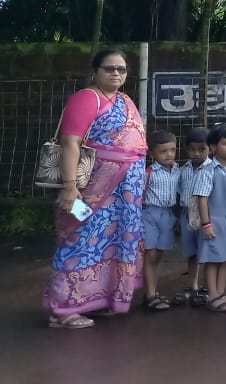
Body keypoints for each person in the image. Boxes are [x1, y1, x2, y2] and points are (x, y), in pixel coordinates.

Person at [44, 50, 148, 330]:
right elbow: (70, 143)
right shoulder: (87, 98)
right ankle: (62, 309)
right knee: (78, 239)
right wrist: (69, 188)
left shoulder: (125, 101)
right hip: (91, 191)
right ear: (95, 71)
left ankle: (96, 299)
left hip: (123, 197)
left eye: (121, 69)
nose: (116, 73)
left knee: (114, 243)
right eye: (109, 68)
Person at [193, 125, 226, 313]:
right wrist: (206, 223)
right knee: (213, 258)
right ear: (213, 147)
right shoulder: (207, 170)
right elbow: (202, 199)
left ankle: (222, 292)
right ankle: (212, 294)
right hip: (215, 220)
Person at [141, 131, 180, 312]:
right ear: (152, 154)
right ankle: (149, 295)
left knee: (159, 255)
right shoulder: (148, 173)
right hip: (149, 214)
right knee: (150, 254)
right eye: (163, 151)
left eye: (172, 150)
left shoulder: (178, 170)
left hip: (168, 215)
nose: (169, 154)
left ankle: (153, 291)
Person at [175, 127, 211, 307]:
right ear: (186, 149)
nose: (196, 153)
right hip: (187, 213)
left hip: (207, 215)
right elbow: (178, 193)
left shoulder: (213, 168)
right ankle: (194, 286)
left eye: (201, 149)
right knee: (192, 252)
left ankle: (210, 287)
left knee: (209, 251)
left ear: (210, 148)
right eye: (192, 149)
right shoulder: (183, 170)